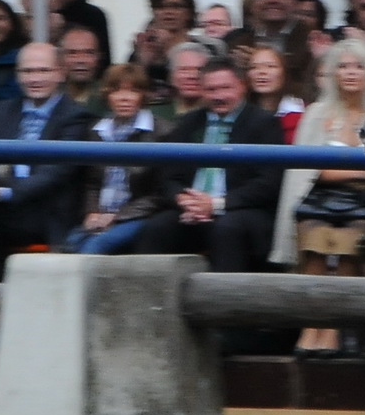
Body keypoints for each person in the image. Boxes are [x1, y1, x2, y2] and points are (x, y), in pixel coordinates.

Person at [269, 40, 365, 357]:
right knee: (315, 245)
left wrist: (341, 170)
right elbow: (312, 172)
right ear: (332, 73)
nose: (350, 72)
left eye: (358, 66)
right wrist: (358, 169)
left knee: (346, 248)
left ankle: (331, 329)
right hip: (318, 199)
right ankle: (310, 328)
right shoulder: (317, 113)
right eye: (343, 66)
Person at [132, 58, 285, 272]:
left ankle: (227, 303)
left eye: (225, 88)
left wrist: (216, 204)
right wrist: (184, 199)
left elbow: (268, 183)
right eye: (211, 89)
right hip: (191, 209)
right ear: (202, 91)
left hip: (242, 210)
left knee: (227, 229)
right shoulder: (189, 122)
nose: (219, 96)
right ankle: (149, 301)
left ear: (242, 86)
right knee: (157, 227)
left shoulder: (264, 123)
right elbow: (167, 176)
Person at [0, 43, 99, 283]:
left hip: (49, 210)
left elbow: (56, 173)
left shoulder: (76, 116)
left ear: (61, 73)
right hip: (2, 206)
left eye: (43, 71)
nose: (34, 78)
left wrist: (2, 191)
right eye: (27, 71)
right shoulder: (3, 110)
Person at [66, 64, 161, 255]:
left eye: (133, 91)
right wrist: (92, 212)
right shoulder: (96, 131)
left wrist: (117, 216)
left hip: (139, 217)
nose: (124, 98)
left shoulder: (161, 132)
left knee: (94, 247)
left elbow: (158, 194)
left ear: (143, 95)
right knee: (69, 244)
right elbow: (92, 182)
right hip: (101, 215)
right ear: (107, 95)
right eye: (116, 91)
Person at [225, 0, 314, 95]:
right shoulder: (237, 43)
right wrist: (239, 70)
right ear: (253, 4)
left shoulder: (311, 39)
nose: (272, 0)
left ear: (293, 2)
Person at [245, 45, 306, 140]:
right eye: (254, 67)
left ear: (285, 72)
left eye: (271, 66)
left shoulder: (303, 114)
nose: (262, 72)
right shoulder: (240, 113)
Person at [151, 42, 214, 127]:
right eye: (184, 70)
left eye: (200, 70)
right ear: (171, 75)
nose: (192, 76)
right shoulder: (154, 113)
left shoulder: (219, 112)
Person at [58, 26, 105, 114]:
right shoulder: (50, 97)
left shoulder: (108, 98)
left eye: (89, 53)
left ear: (98, 58)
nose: (80, 60)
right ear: (60, 58)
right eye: (72, 53)